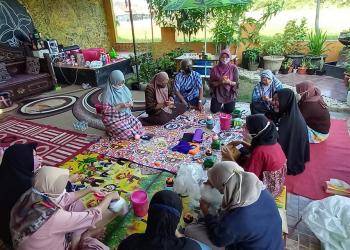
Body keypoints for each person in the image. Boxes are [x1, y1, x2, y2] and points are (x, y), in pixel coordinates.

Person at [10, 166, 120, 250]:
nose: (65, 190)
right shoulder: (53, 216)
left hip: (29, 240)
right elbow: (92, 215)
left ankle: (79, 235)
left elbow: (65, 198)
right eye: (63, 187)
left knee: (75, 205)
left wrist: (90, 189)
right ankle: (82, 238)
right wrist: (110, 197)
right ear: (53, 191)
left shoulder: (33, 193)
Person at [185, 161, 283, 250]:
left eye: (212, 184)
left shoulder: (238, 218)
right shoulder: (259, 188)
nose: (208, 185)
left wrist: (206, 211)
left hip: (245, 245)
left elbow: (218, 239)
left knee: (190, 230)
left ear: (224, 187)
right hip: (274, 244)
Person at [222, 114, 287, 197]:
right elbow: (258, 151)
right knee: (243, 155)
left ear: (256, 132)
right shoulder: (270, 141)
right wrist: (242, 143)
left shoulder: (260, 152)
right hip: (277, 183)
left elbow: (246, 178)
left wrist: (230, 158)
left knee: (229, 174)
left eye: (246, 128)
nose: (243, 130)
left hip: (268, 190)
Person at [118, 190, 207, 250]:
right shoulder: (191, 247)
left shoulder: (130, 243)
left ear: (149, 214)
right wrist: (179, 235)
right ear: (177, 220)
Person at [0, 143, 42, 247]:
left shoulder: (5, 172)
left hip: (4, 232)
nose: (38, 158)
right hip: (20, 237)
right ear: (23, 161)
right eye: (34, 156)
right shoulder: (29, 185)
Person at [271, 88, 310, 175]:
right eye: (273, 99)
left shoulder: (291, 122)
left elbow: (278, 142)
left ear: (286, 100)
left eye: (277, 100)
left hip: (290, 161)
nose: (273, 103)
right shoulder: (289, 112)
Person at [101, 70, 143, 140]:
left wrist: (131, 103)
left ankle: (129, 131)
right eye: (118, 84)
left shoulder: (124, 89)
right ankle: (111, 132)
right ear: (113, 82)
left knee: (138, 125)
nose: (120, 85)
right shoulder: (107, 93)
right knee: (126, 132)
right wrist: (119, 106)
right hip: (113, 118)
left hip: (126, 116)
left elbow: (130, 99)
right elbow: (105, 111)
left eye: (122, 83)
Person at [209, 49, 239, 114]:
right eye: (222, 57)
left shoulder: (234, 68)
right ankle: (219, 105)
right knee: (214, 110)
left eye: (227, 57)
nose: (224, 59)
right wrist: (220, 82)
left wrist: (229, 82)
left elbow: (236, 83)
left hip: (229, 93)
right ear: (219, 58)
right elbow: (211, 83)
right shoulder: (215, 68)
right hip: (218, 93)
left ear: (230, 58)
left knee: (229, 111)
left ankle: (226, 106)